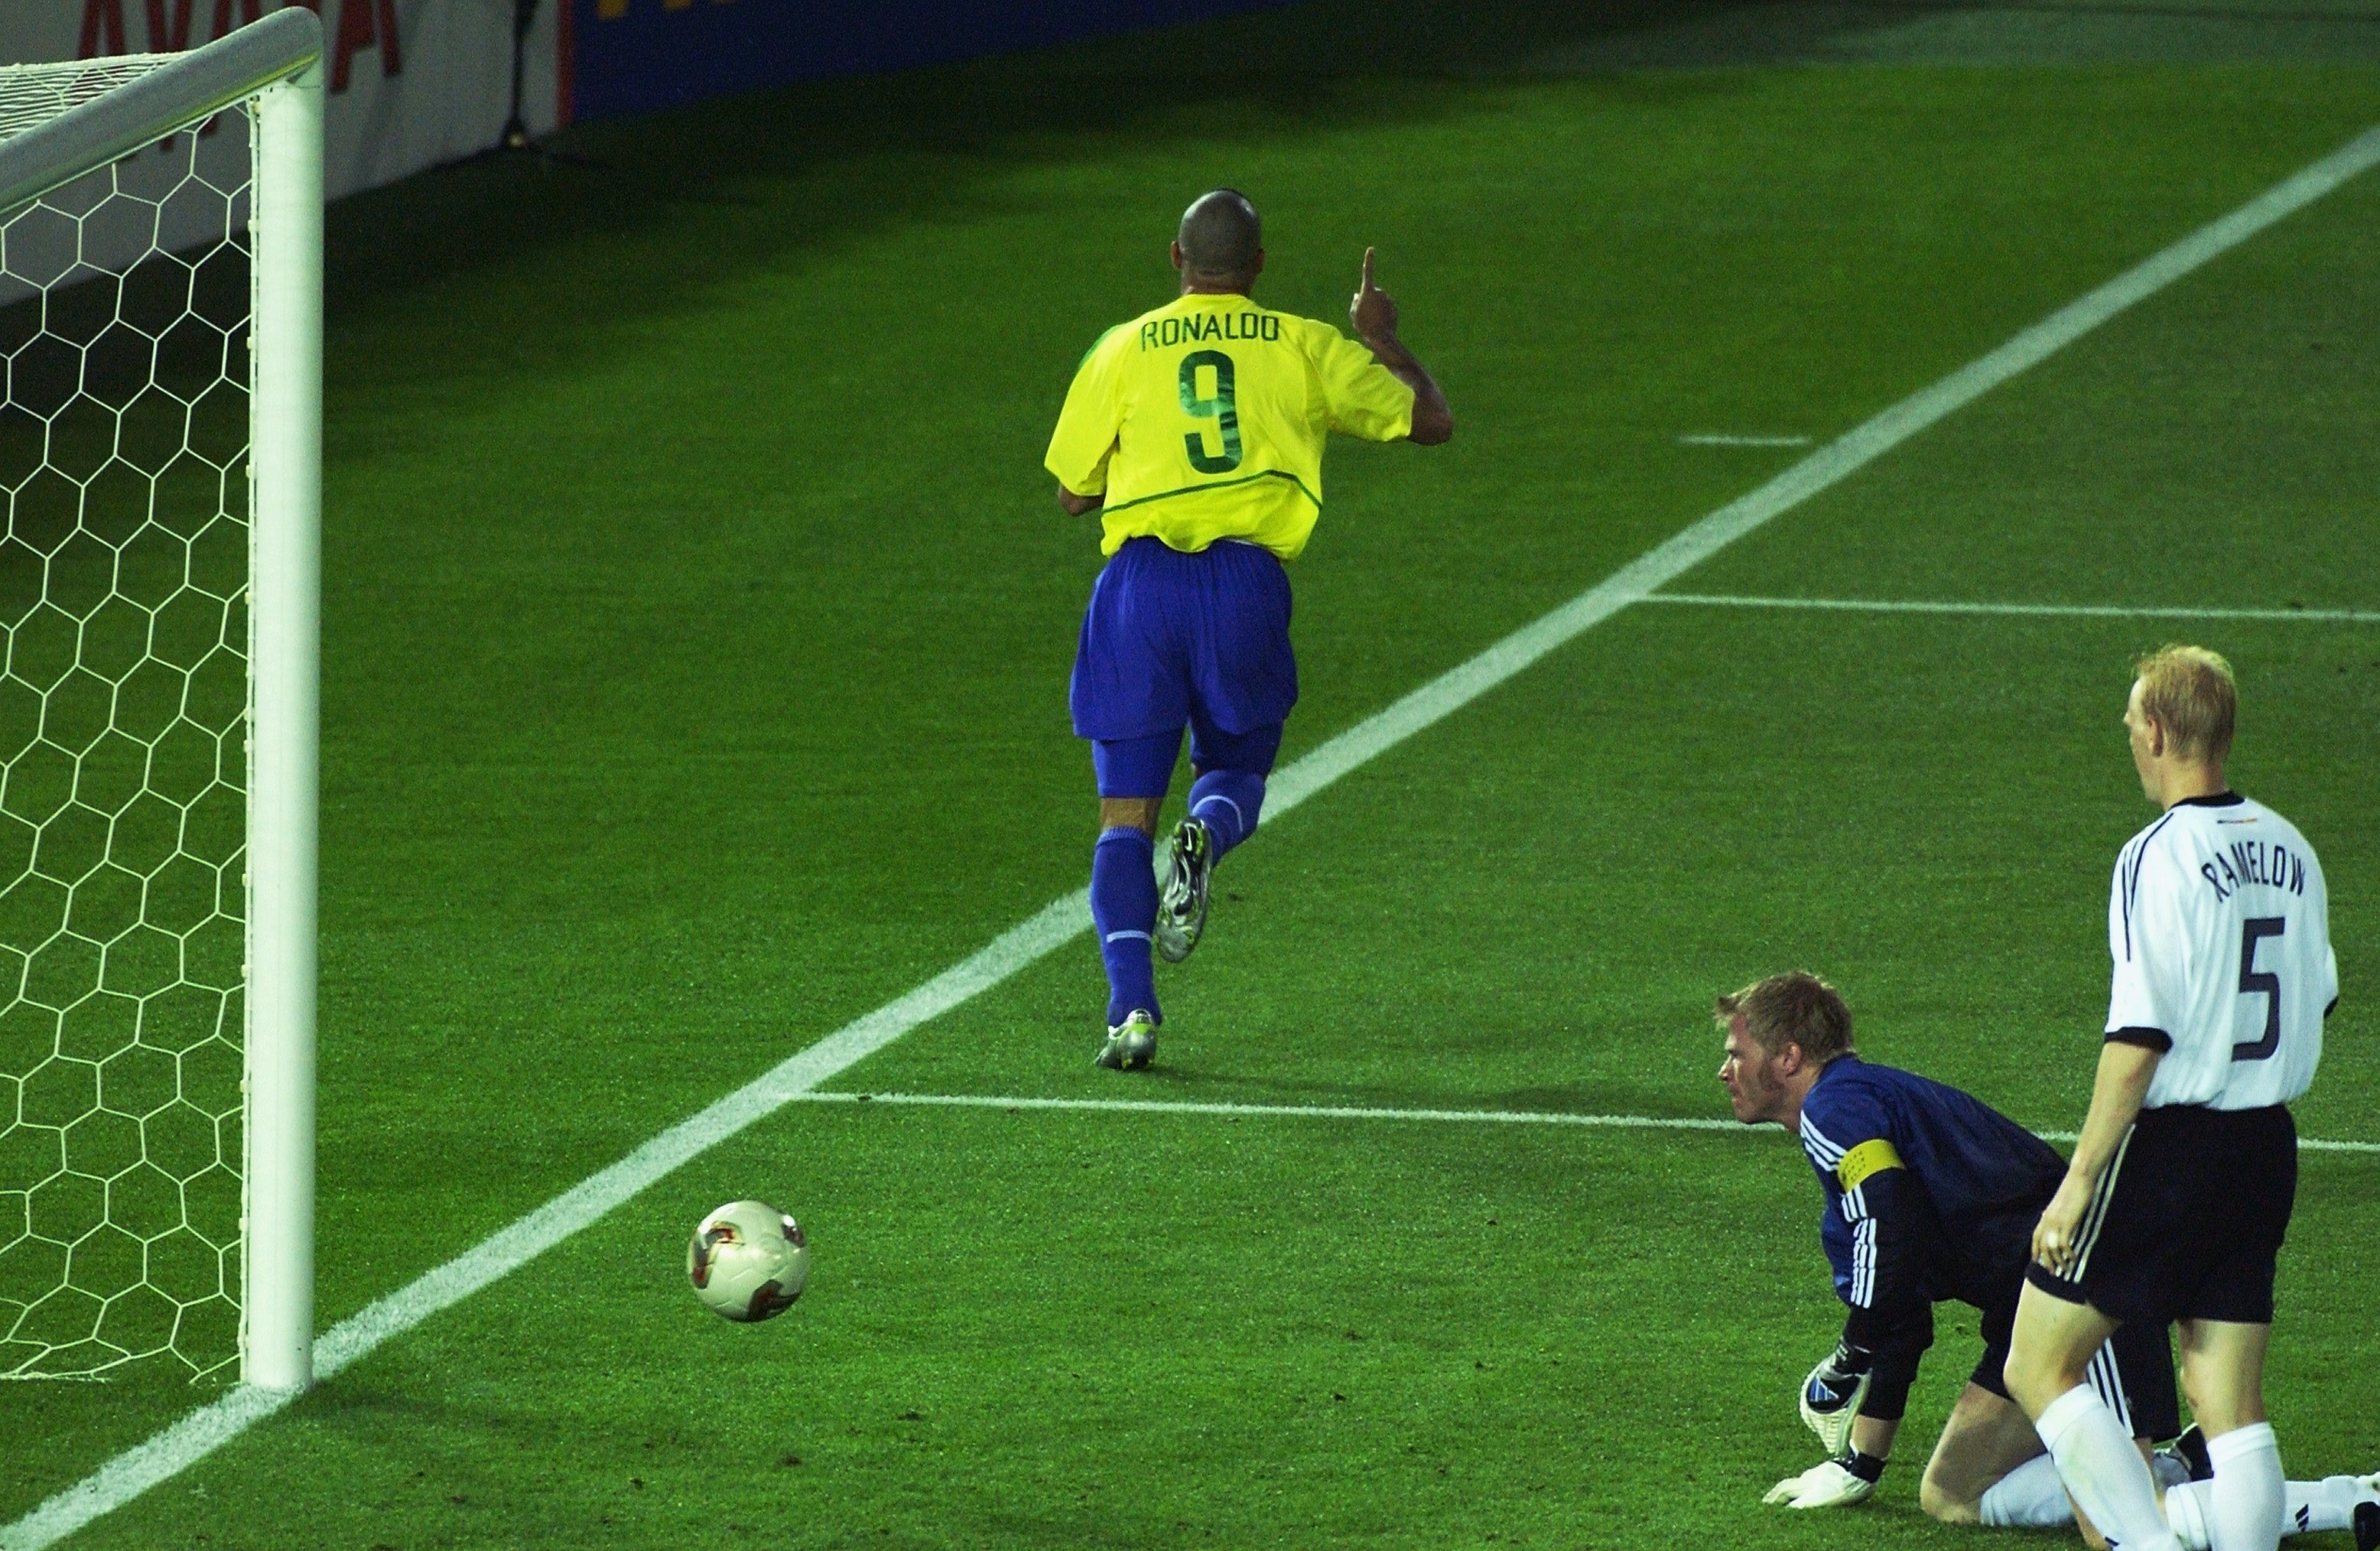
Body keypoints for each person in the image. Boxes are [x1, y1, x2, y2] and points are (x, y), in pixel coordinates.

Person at [1042, 188, 1452, 1071]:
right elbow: (1429, 422)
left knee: (1122, 819)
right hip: (1244, 585)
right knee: (1231, 771)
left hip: (1138, 589)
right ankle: (1209, 835)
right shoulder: (1305, 344)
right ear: (1257, 267)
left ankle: (1131, 1012)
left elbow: (1074, 492)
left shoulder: (1119, 346)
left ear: (1175, 259)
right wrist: (1378, 332)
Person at [2004, 646, 2350, 1551]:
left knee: (2038, 1362)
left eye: (2129, 728)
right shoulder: (2291, 846)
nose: (2129, 742)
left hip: (2171, 1153)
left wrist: (2078, 1182)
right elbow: (2317, 997)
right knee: (2227, 1403)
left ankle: (2145, 1545)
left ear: (2155, 731)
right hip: (2265, 1148)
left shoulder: (2155, 854)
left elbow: (2137, 1040)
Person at [1716, 971, 2185, 1542]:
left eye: (1738, 1054)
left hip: (2085, 1296)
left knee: (2127, 1527)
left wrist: (1848, 1358)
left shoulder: (1834, 1108)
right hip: (2032, 1316)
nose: (1726, 1071)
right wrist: (1859, 1465)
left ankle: (2310, 1503)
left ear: (1788, 1058)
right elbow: (1900, 1306)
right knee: (1954, 1494)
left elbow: (1889, 1221)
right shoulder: (1856, 1113)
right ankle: (2184, 1473)